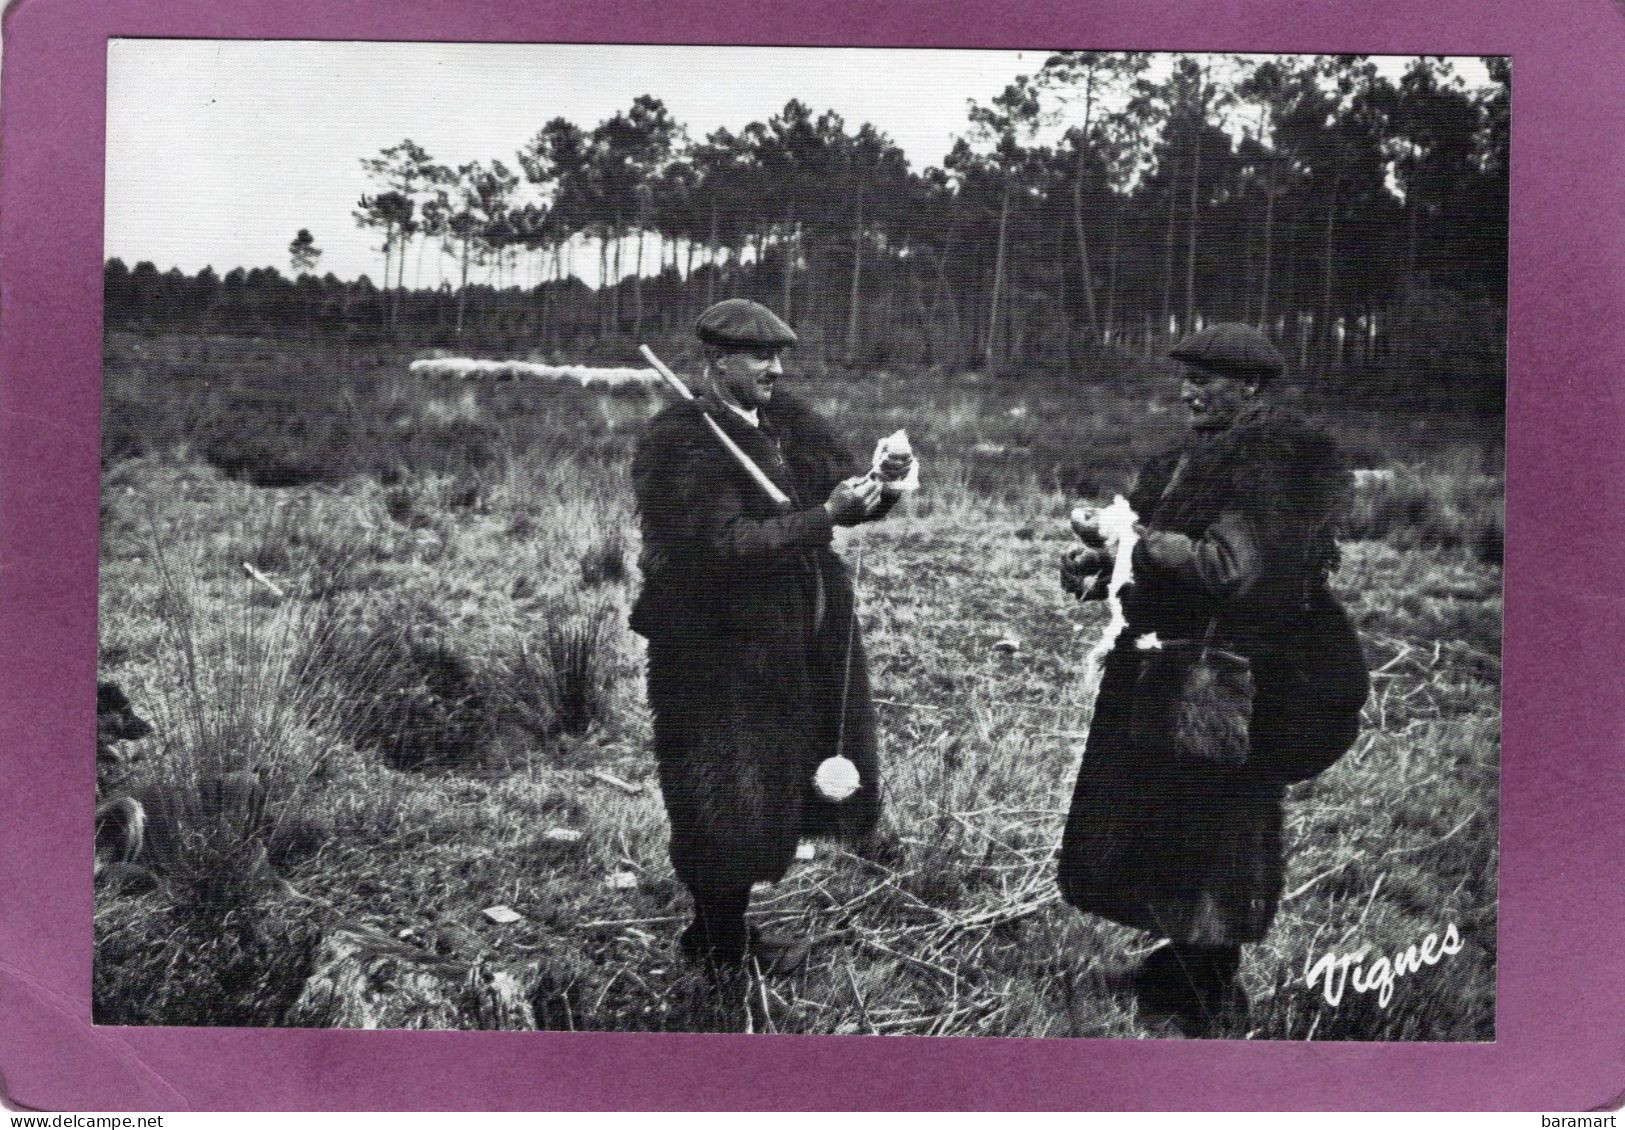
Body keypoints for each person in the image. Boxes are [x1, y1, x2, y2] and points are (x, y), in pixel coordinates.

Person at [1057, 323, 1369, 1036]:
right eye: (1186, 376)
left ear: (1252, 386)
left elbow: (1228, 571)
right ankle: (1175, 968)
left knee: (1217, 827)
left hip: (1227, 679)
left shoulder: (1271, 461)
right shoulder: (1187, 458)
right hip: (1175, 668)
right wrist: (1100, 572)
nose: (1189, 388)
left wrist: (1136, 542)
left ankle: (1209, 996)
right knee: (1174, 819)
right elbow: (1168, 565)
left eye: (1207, 377)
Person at [629, 298, 911, 975]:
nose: (776, 369)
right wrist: (825, 518)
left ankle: (727, 932)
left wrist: (879, 488)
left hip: (787, 643)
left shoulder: (780, 422)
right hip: (713, 646)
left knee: (769, 783)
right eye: (762, 357)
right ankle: (718, 944)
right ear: (719, 360)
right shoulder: (681, 439)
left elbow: (835, 491)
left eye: (780, 356)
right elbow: (723, 547)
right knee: (719, 793)